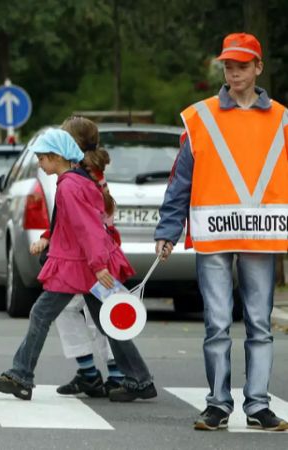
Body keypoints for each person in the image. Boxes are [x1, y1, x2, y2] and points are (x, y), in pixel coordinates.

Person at [155, 33, 288, 431]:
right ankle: (217, 404)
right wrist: (168, 229)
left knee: (260, 324)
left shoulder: (281, 119)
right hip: (214, 234)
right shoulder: (201, 116)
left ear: (258, 68)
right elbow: (180, 180)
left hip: (261, 236)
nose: (234, 73)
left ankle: (258, 405)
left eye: (242, 66)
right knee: (216, 323)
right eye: (229, 66)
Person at [0, 129, 155, 402]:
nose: (39, 164)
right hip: (83, 265)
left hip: (78, 267)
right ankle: (140, 379)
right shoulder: (79, 181)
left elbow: (87, 228)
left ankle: (21, 376)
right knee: (109, 322)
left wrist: (98, 265)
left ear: (57, 157)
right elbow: (76, 226)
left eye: (42, 158)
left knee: (42, 314)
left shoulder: (69, 186)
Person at [35, 117, 125, 398]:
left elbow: (82, 223)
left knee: (77, 313)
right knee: (100, 316)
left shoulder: (76, 179)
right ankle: (115, 374)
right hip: (100, 254)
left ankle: (91, 372)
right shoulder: (94, 174)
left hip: (87, 259)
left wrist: (95, 263)